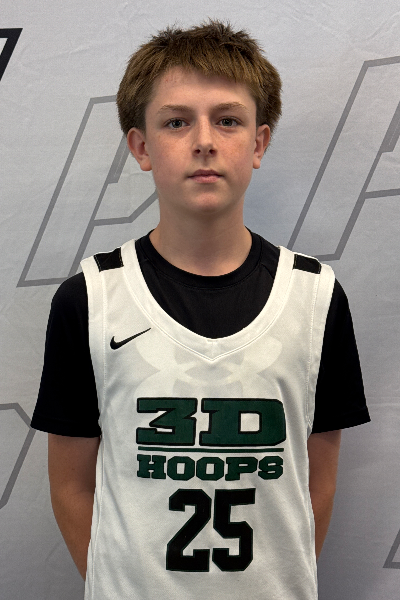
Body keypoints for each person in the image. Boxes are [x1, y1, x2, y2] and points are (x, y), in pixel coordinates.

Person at [31, 19, 370, 600]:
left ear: (258, 143)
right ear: (141, 146)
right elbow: (70, 485)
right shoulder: (90, 299)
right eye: (177, 121)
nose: (205, 140)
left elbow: (316, 481)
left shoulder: (315, 298)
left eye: (228, 120)